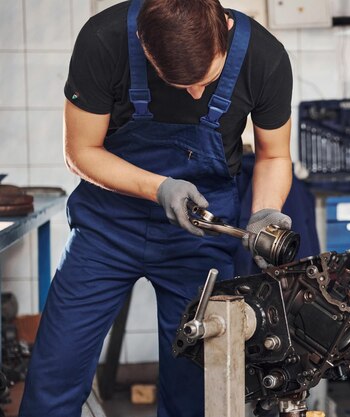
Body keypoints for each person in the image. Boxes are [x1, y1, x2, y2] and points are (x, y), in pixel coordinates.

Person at [19, 0, 293, 416]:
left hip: (201, 235)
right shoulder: (103, 40)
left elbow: (274, 156)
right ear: (145, 48)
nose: (197, 94)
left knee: (197, 390)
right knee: (54, 375)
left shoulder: (265, 57)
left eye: (208, 79)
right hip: (107, 231)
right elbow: (80, 151)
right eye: (181, 84)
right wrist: (158, 187)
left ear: (221, 27)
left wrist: (265, 212)